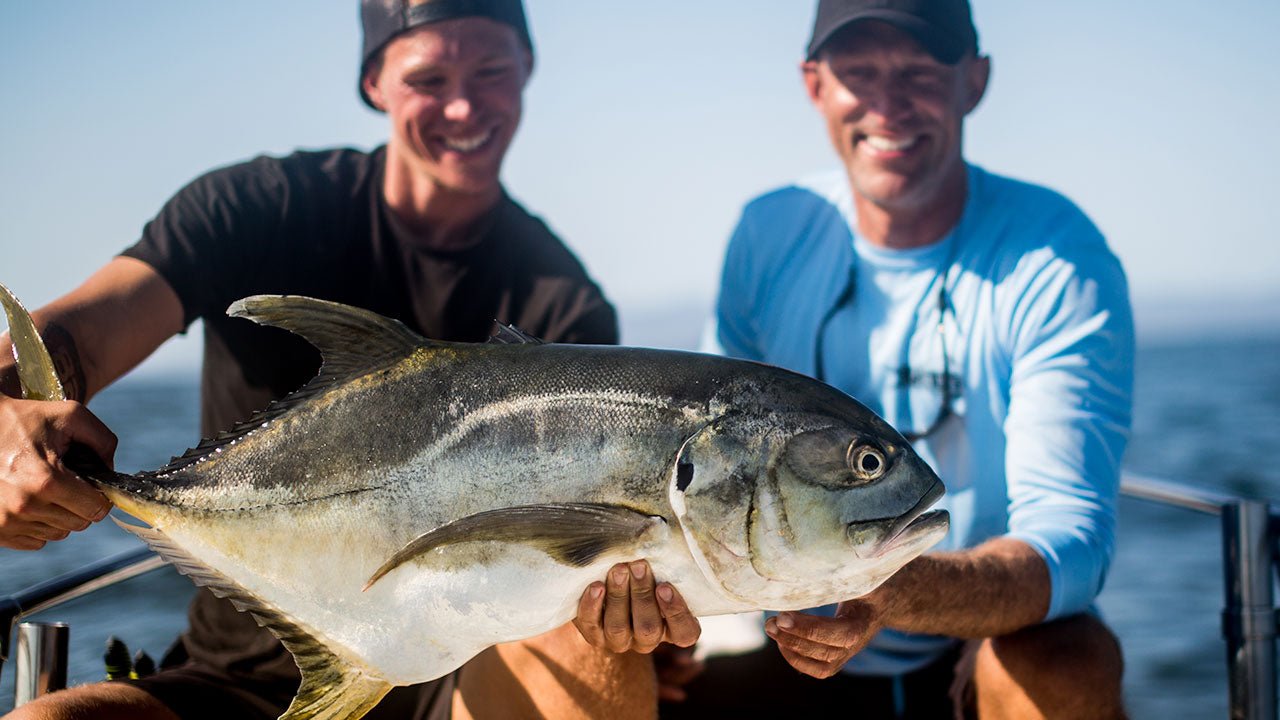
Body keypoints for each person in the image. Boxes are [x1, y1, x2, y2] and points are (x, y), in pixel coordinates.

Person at [0, 1, 664, 718]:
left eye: (492, 70)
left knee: (587, 644)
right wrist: (7, 422)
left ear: (528, 69)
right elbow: (84, 336)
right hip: (228, 681)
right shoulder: (258, 210)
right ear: (373, 81)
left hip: (456, 682)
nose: (465, 103)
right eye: (429, 77)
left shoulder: (564, 305)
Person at [577, 1, 1135, 718]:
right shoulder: (769, 230)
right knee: (590, 636)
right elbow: (699, 481)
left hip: (959, 651)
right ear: (815, 84)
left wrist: (902, 589)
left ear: (976, 80)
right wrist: (661, 618)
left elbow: (1074, 544)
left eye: (920, 72)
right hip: (774, 635)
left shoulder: (1057, 257)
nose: (888, 104)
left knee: (1068, 660)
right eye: (860, 72)